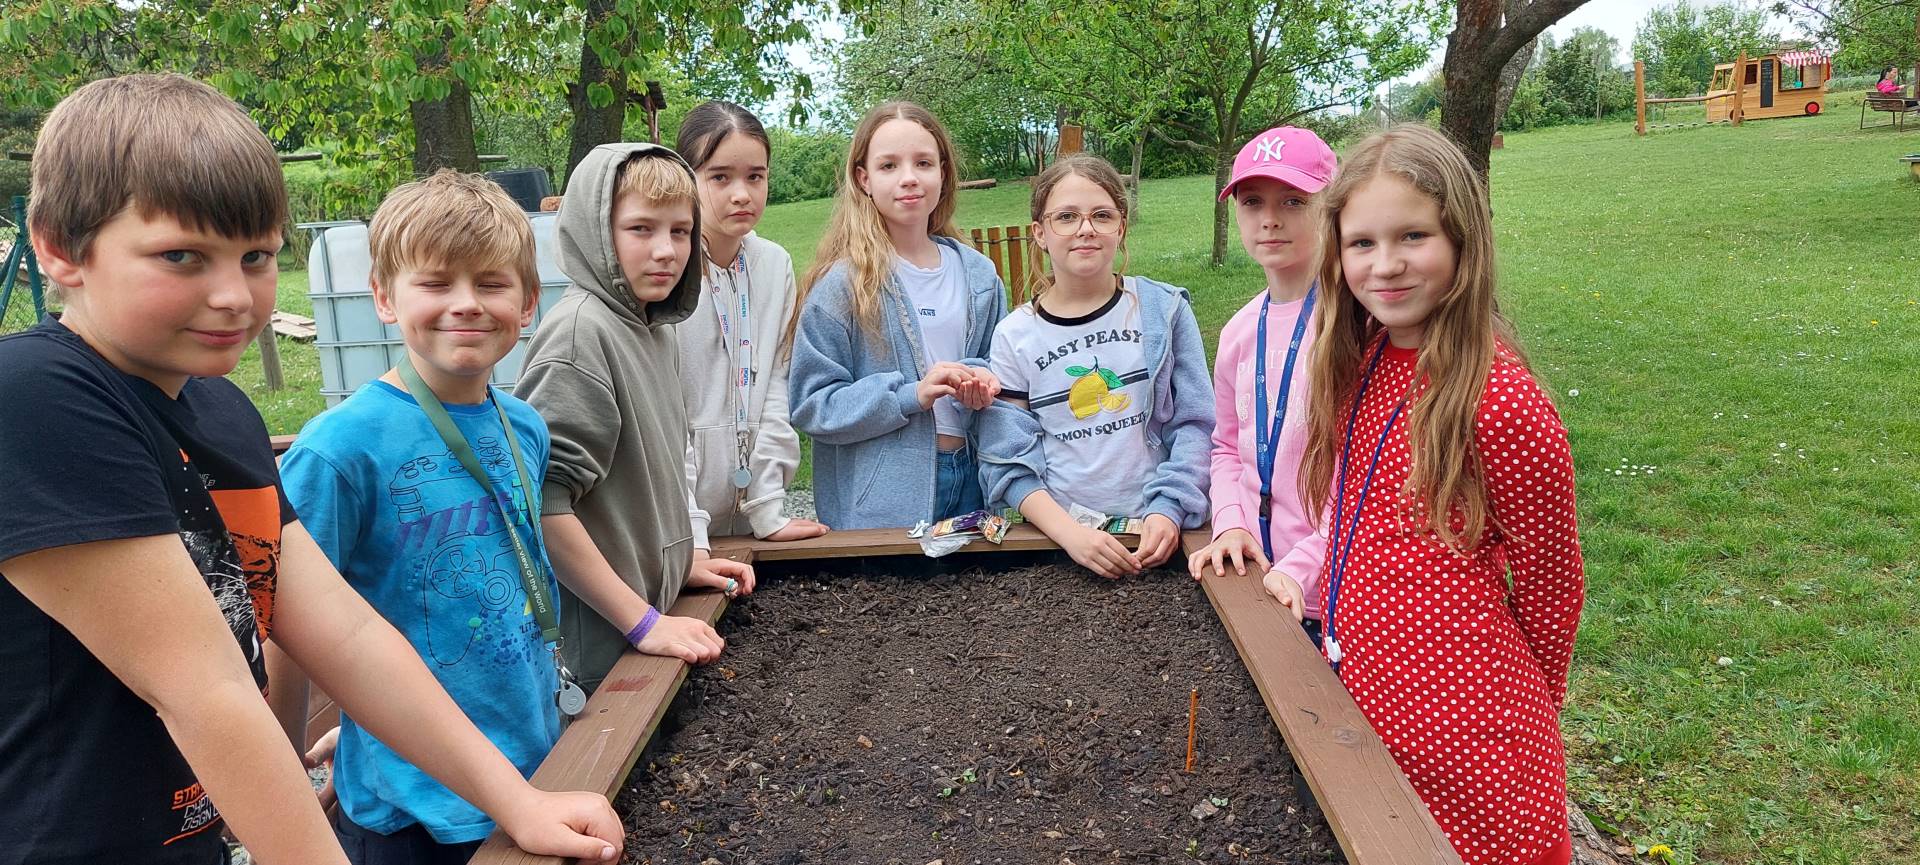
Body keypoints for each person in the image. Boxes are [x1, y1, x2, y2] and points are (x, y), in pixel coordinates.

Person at [0, 73, 621, 865]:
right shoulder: (38, 397)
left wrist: (516, 801)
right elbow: (204, 688)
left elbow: (348, 635)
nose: (234, 295)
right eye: (182, 255)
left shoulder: (220, 412)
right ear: (60, 249)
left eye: (256, 255)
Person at [279, 170, 650, 861]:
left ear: (528, 301)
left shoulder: (524, 427)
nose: (466, 304)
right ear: (384, 297)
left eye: (490, 283)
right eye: (435, 282)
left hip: (532, 768)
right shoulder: (338, 451)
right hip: (412, 808)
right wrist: (281, 781)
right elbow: (286, 624)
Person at [1298, 124, 1585, 865]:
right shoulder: (1362, 358)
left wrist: (1528, 711)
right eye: (1362, 243)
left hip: (1479, 747)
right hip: (1372, 708)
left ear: (1463, 238)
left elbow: (1553, 584)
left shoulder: (1501, 402)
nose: (1385, 264)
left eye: (1413, 236)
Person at [515, 143, 753, 690]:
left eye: (680, 231)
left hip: (645, 619)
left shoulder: (654, 327)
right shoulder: (581, 335)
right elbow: (543, 506)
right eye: (641, 229)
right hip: (599, 654)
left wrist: (676, 564)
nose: (666, 251)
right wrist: (643, 621)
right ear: (597, 231)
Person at [976, 154, 1211, 577]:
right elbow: (1006, 461)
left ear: (1121, 227)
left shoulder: (1164, 310)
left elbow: (1196, 425)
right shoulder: (1014, 335)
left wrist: (1169, 507)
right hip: (1060, 547)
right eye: (1066, 217)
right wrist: (1070, 535)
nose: (1085, 229)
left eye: (1101, 215)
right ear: (1040, 233)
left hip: (1156, 537)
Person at [788, 102, 1005, 529]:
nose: (909, 178)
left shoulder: (979, 274)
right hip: (884, 503)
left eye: (923, 163)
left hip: (975, 483)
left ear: (943, 173)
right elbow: (812, 405)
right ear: (863, 179)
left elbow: (1004, 367)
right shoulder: (842, 285)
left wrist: (982, 379)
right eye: (889, 165)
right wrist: (911, 395)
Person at [1185, 127, 1338, 641]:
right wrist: (1230, 521)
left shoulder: (1354, 330)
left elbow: (1367, 481)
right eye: (1252, 202)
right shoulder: (1238, 332)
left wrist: (1304, 565)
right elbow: (1226, 447)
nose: (1269, 218)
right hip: (1256, 574)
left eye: (1293, 200)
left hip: (1332, 588)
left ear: (1331, 206)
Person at [673, 101, 830, 552]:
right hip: (676, 528)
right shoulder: (667, 270)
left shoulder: (773, 264)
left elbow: (778, 383)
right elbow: (664, 417)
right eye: (720, 177)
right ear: (686, 179)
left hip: (746, 518)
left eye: (755, 176)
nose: (741, 194)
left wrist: (767, 509)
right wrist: (691, 537)